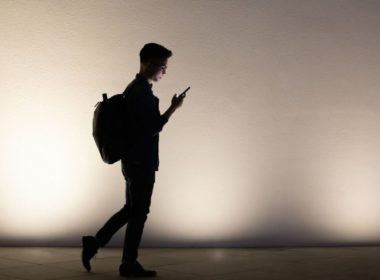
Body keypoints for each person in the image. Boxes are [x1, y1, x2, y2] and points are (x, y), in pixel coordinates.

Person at [82, 43, 186, 278]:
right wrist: (173, 108)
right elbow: (151, 128)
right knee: (139, 212)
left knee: (131, 209)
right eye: (162, 66)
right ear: (149, 64)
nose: (164, 71)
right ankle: (128, 263)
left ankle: (95, 242)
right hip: (141, 162)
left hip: (133, 161)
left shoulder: (136, 89)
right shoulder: (141, 93)